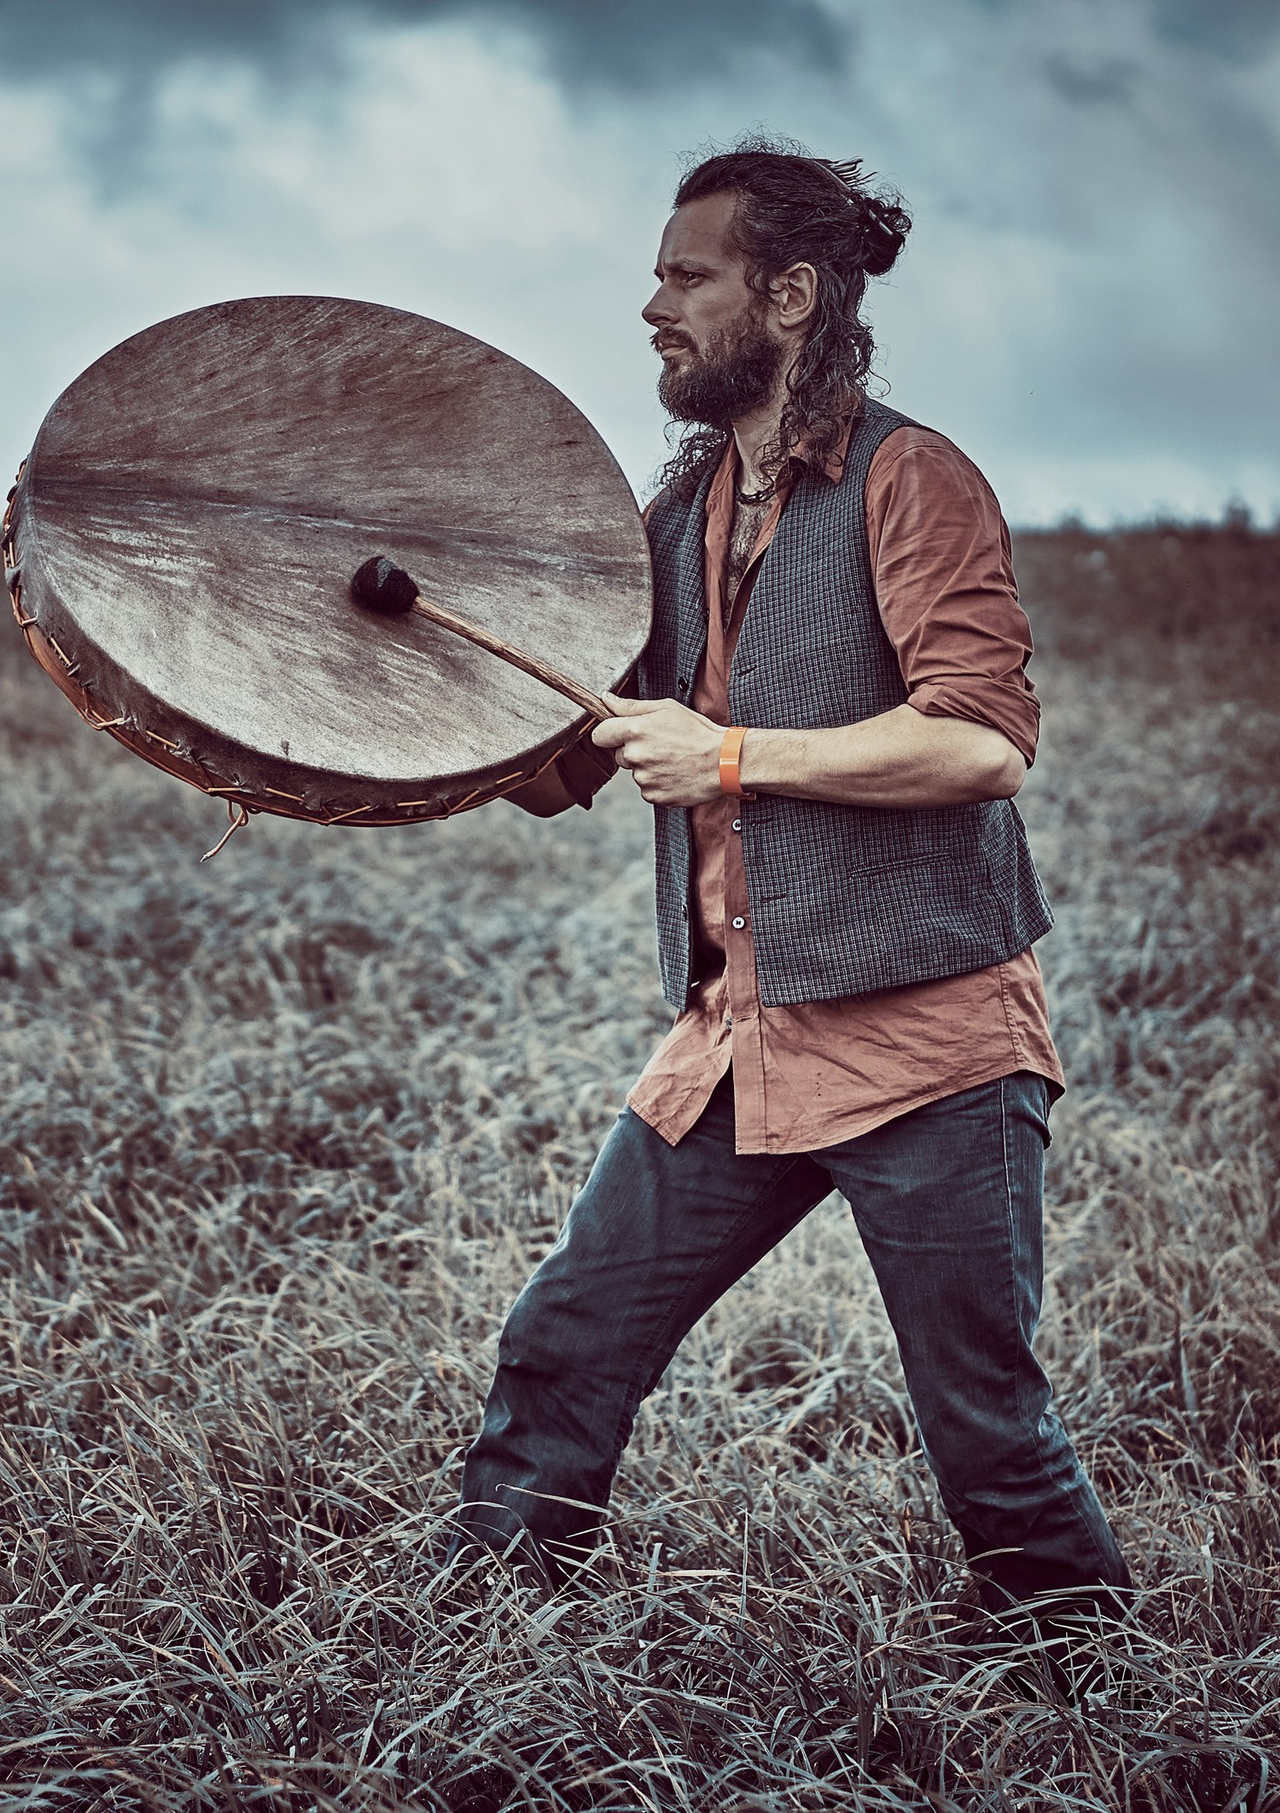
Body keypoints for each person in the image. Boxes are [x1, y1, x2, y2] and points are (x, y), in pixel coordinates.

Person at [456, 140, 1132, 1622]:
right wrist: (355, 710)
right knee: (567, 1340)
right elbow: (561, 754)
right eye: (656, 276)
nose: (652, 305)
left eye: (686, 275)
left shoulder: (913, 477)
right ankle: (483, 1634)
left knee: (986, 1426)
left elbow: (981, 743)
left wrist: (738, 757)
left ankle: (1106, 1701)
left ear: (791, 293)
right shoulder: (678, 514)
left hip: (929, 1047)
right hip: (740, 1040)